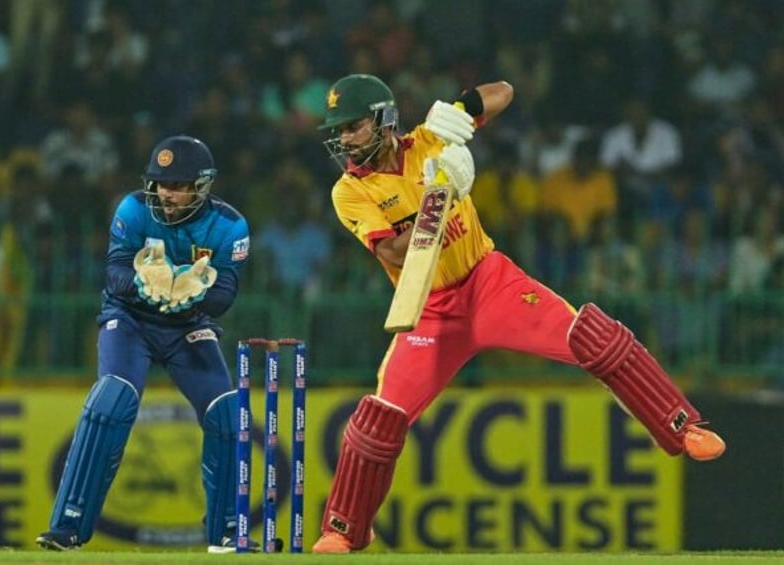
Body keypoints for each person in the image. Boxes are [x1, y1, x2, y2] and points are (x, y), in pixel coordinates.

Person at [312, 73, 727, 554]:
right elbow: (395, 256)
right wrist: (440, 197)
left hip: (490, 282)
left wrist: (458, 109)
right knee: (378, 418)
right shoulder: (349, 192)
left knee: (594, 337)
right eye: (339, 130)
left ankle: (683, 426)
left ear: (384, 121)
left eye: (352, 127)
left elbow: (504, 91)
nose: (343, 139)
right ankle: (344, 529)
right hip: (430, 310)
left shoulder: (431, 138)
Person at [36, 135, 253, 553]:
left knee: (228, 410)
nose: (165, 194)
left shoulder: (230, 226)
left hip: (187, 325)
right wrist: (142, 284)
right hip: (130, 318)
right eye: (160, 184)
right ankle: (68, 526)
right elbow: (115, 272)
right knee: (112, 399)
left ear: (201, 185)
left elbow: (224, 296)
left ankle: (227, 534)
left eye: (177, 185)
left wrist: (192, 295)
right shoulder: (133, 208)